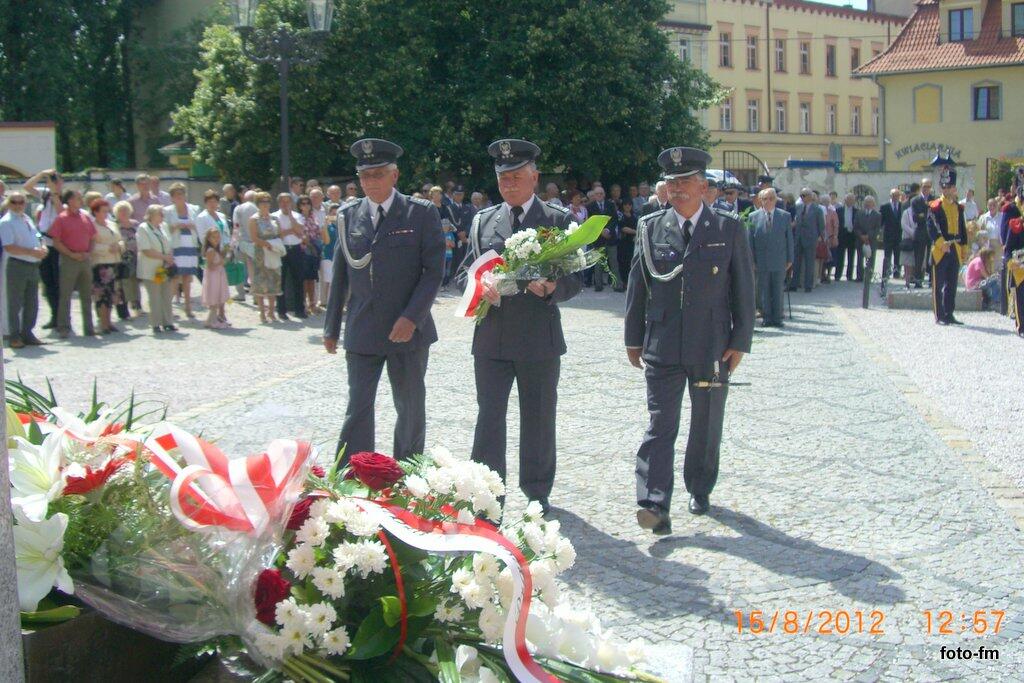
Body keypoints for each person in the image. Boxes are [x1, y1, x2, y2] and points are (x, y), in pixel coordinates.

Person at [625, 146, 755, 533]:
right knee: (660, 423)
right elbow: (638, 285)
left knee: (707, 423)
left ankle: (699, 486)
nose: (677, 189)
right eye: (671, 182)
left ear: (703, 187)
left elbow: (743, 289)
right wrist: (633, 338)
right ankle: (654, 503)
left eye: (685, 182)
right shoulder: (650, 227)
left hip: (711, 345)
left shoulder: (728, 228)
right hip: (662, 342)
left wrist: (740, 340)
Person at [466, 138, 579, 516]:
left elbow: (575, 280)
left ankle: (537, 490)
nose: (509, 184)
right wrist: (480, 287)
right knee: (489, 418)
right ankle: (487, 494)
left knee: (539, 417)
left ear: (534, 177)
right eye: (503, 178)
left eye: (516, 176)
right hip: (492, 338)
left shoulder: (557, 220)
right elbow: (465, 272)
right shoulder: (484, 221)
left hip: (538, 338)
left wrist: (552, 288)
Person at [323, 138, 444, 464]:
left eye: (378, 174)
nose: (371, 182)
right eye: (365, 176)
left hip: (408, 331)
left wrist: (412, 317)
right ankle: (353, 474)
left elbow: (434, 271)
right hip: (363, 327)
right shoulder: (348, 215)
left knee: (410, 407)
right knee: (358, 407)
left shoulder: (420, 213)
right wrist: (331, 327)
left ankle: (408, 475)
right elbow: (341, 274)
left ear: (394, 175)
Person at [0, 192, 48, 347]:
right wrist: (31, 252)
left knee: (32, 302)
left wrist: (43, 246)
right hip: (17, 264)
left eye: (21, 202)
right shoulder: (6, 222)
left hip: (33, 264)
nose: (18, 205)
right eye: (14, 202)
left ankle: (27, 333)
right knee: (15, 302)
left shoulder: (27, 219)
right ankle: (14, 336)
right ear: (8, 203)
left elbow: (38, 234)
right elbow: (9, 247)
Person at [49, 189, 97, 338]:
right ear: (69, 200)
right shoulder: (61, 218)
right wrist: (70, 254)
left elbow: (93, 237)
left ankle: (88, 327)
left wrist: (88, 252)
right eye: (78, 198)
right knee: (66, 294)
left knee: (86, 295)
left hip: (85, 259)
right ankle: (63, 327)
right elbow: (56, 241)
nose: (81, 200)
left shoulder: (85, 217)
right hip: (69, 259)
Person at [22, 169, 63, 329]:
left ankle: (61, 317)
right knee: (47, 281)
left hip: (57, 244)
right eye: (53, 180)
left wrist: (54, 192)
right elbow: (27, 187)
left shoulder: (65, 197)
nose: (54, 183)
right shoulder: (44, 195)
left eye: (56, 180)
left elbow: (60, 212)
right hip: (44, 242)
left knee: (58, 281)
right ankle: (54, 316)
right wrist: (41, 175)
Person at [927, 168, 968, 325]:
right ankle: (939, 315)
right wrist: (940, 242)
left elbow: (962, 228)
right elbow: (932, 227)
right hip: (940, 249)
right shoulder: (935, 206)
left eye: (949, 187)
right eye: (944, 187)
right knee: (938, 285)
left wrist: (964, 247)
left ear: (954, 188)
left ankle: (949, 313)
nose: (946, 189)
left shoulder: (958, 207)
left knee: (951, 284)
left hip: (955, 248)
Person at [749, 188, 793, 327]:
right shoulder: (753, 217)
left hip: (779, 259)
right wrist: (752, 261)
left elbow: (789, 239)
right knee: (764, 290)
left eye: (771, 198)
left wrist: (790, 259)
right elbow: (750, 242)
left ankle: (778, 318)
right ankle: (767, 317)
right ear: (760, 201)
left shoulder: (784, 216)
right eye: (765, 199)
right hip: (761, 260)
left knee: (778, 290)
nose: (768, 201)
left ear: (775, 200)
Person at [136, 205, 177, 334]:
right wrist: (164, 257)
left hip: (164, 267)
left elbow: (169, 244)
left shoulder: (164, 226)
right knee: (154, 296)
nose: (162, 216)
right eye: (160, 214)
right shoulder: (143, 228)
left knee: (166, 294)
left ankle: (168, 322)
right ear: (152, 215)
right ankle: (156, 323)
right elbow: (146, 250)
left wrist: (169, 257)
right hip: (151, 268)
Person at [163, 183, 201, 319]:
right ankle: (167, 308)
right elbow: (164, 230)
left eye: (181, 193)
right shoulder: (167, 211)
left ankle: (188, 307)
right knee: (174, 277)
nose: (179, 196)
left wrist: (192, 226)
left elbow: (199, 226)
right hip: (175, 246)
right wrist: (176, 226)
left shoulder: (194, 209)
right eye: (176, 194)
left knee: (187, 278)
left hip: (190, 246)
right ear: (172, 197)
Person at [88, 199, 124, 334]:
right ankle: (103, 323)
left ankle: (109, 322)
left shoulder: (112, 224)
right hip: (101, 264)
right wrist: (108, 248)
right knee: (102, 294)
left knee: (112, 293)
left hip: (114, 262)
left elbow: (120, 240)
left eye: (107, 211)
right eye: (103, 211)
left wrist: (119, 246)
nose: (106, 213)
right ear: (95, 212)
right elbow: (91, 246)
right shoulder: (92, 226)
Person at [249, 192, 283, 323]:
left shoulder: (274, 218)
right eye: (262, 202)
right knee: (261, 281)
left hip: (273, 251)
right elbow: (253, 237)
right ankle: (262, 312)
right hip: (261, 252)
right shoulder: (254, 219)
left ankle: (271, 312)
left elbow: (279, 233)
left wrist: (275, 245)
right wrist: (266, 244)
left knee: (274, 279)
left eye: (267, 202)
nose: (265, 205)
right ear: (258, 204)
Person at [273, 192, 306, 319]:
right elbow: (277, 234)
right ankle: (281, 310)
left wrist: (291, 218)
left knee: (298, 280)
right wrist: (292, 230)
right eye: (283, 201)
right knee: (280, 280)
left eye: (288, 201)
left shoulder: (298, 216)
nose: (285, 204)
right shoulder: (274, 216)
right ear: (279, 203)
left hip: (296, 249)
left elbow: (300, 231)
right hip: (281, 249)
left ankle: (299, 309)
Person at [789, 188, 826, 293]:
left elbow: (821, 225)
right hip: (798, 238)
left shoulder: (817, 209)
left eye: (804, 195)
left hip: (810, 239)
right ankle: (794, 284)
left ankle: (808, 285)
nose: (802, 198)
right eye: (801, 195)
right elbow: (796, 221)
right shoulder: (799, 207)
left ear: (810, 196)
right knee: (796, 262)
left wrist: (820, 237)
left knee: (809, 263)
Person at [296, 194, 325, 315]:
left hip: (314, 250)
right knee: (303, 279)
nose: (306, 205)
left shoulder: (314, 217)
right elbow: (299, 234)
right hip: (302, 250)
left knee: (312, 278)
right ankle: (304, 304)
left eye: (308, 203)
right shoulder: (297, 217)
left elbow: (318, 232)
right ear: (299, 206)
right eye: (303, 203)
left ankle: (312, 304)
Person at [112, 201, 141, 320]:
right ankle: (123, 312)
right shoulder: (114, 226)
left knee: (135, 282)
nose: (124, 213)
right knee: (121, 285)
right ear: (116, 213)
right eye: (121, 211)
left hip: (135, 257)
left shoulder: (135, 224)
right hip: (120, 259)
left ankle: (137, 307)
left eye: (126, 210)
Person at [587, 185, 619, 291]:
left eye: (601, 193)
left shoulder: (610, 205)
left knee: (614, 263)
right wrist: (601, 231)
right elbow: (591, 222)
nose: (599, 195)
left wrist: (608, 230)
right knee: (598, 263)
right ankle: (598, 285)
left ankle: (617, 285)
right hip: (598, 239)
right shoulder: (590, 206)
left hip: (610, 237)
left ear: (604, 194)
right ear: (594, 195)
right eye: (597, 194)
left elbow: (614, 219)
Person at [232, 189, 258, 302]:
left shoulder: (238, 208)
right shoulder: (258, 209)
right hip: (255, 242)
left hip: (241, 241)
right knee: (254, 270)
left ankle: (240, 293)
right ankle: (256, 296)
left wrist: (233, 243)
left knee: (239, 268)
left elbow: (236, 226)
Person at [201, 228, 230, 329]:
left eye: (218, 237)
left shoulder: (216, 250)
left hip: (218, 276)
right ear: (209, 238)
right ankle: (211, 321)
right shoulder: (211, 251)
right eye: (214, 237)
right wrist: (220, 263)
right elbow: (209, 266)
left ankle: (210, 320)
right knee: (214, 299)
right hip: (213, 277)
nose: (216, 239)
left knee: (216, 301)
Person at [854, 196, 882, 295]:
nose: (867, 204)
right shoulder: (859, 213)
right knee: (859, 258)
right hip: (860, 239)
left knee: (871, 258)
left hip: (871, 240)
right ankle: (859, 276)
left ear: (873, 204)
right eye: (866, 202)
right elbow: (856, 226)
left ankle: (869, 276)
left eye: (869, 202)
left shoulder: (877, 215)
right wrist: (861, 236)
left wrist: (868, 236)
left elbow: (877, 228)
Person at [910, 179, 934, 288]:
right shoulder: (915, 200)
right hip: (920, 232)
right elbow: (915, 217)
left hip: (932, 232)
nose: (926, 189)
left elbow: (935, 216)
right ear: (921, 187)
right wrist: (926, 214)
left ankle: (932, 281)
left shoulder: (934, 199)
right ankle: (918, 281)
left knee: (932, 258)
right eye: (924, 186)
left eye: (928, 187)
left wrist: (923, 215)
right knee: (919, 258)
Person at [965, 247, 1000, 311]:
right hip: (973, 284)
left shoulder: (981, 261)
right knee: (994, 281)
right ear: (987, 255)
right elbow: (987, 276)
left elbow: (989, 275)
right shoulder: (979, 261)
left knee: (994, 281)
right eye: (991, 256)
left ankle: (992, 302)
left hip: (978, 282)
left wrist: (991, 265)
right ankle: (996, 302)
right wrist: (995, 276)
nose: (993, 258)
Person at [835, 193, 860, 281]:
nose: (850, 201)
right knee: (840, 255)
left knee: (851, 256)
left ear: (854, 201)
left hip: (852, 235)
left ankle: (849, 275)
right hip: (842, 234)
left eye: (852, 200)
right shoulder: (839, 210)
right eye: (848, 199)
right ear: (845, 200)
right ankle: (838, 275)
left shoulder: (857, 211)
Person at [880, 188, 903, 280]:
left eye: (897, 195)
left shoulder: (902, 206)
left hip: (899, 236)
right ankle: (886, 273)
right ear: (890, 196)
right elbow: (881, 221)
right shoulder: (885, 206)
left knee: (898, 255)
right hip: (888, 236)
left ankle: (896, 273)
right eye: (894, 195)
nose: (895, 197)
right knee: (887, 256)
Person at [320, 204, 340, 308]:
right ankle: (328, 304)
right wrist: (325, 225)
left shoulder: (341, 226)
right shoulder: (327, 226)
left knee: (336, 281)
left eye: (337, 214)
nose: (335, 216)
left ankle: (335, 303)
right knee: (328, 281)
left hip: (339, 256)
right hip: (328, 256)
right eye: (333, 214)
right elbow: (326, 241)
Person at [618, 200, 637, 289]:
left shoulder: (634, 216)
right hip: (623, 243)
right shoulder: (620, 215)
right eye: (625, 204)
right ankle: (624, 282)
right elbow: (623, 228)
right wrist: (636, 232)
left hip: (633, 242)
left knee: (631, 262)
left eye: (629, 204)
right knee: (623, 263)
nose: (627, 206)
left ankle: (631, 282)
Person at [821, 192, 839, 283]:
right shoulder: (820, 210)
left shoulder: (833, 212)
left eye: (827, 202)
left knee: (831, 257)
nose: (825, 203)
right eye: (824, 201)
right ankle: (822, 274)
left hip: (830, 237)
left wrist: (835, 236)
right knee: (822, 256)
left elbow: (836, 225)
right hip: (822, 238)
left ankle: (828, 274)